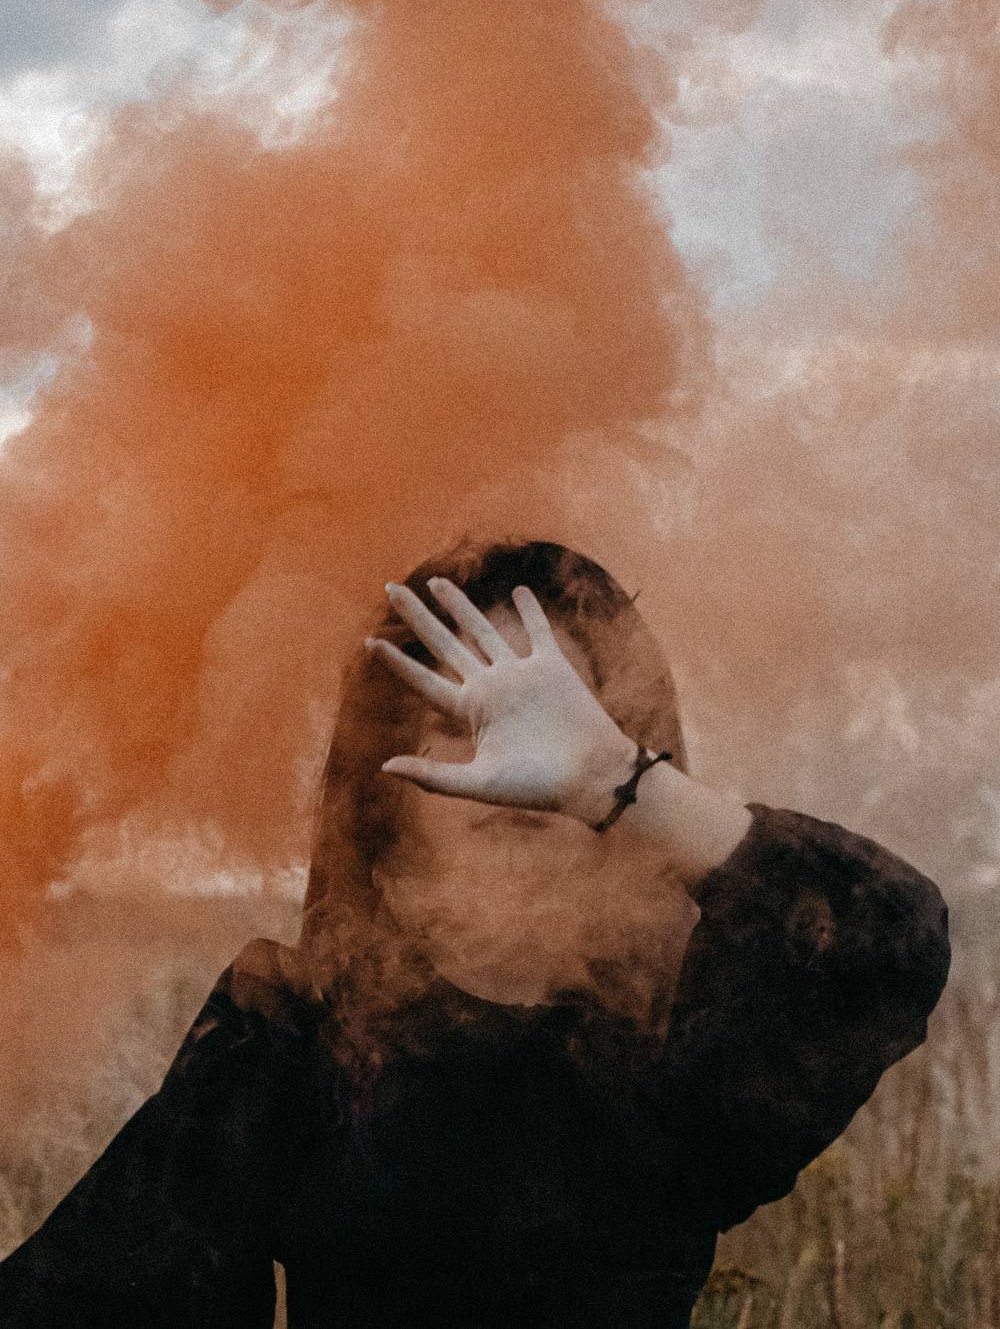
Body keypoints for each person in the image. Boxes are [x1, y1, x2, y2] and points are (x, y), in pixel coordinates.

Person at [0, 538, 950, 1328]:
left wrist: (618, 782)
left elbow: (885, 942)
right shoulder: (291, 1030)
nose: (509, 760)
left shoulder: (666, 1038)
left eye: (553, 720)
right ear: (390, 797)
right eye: (457, 719)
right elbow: (87, 1298)